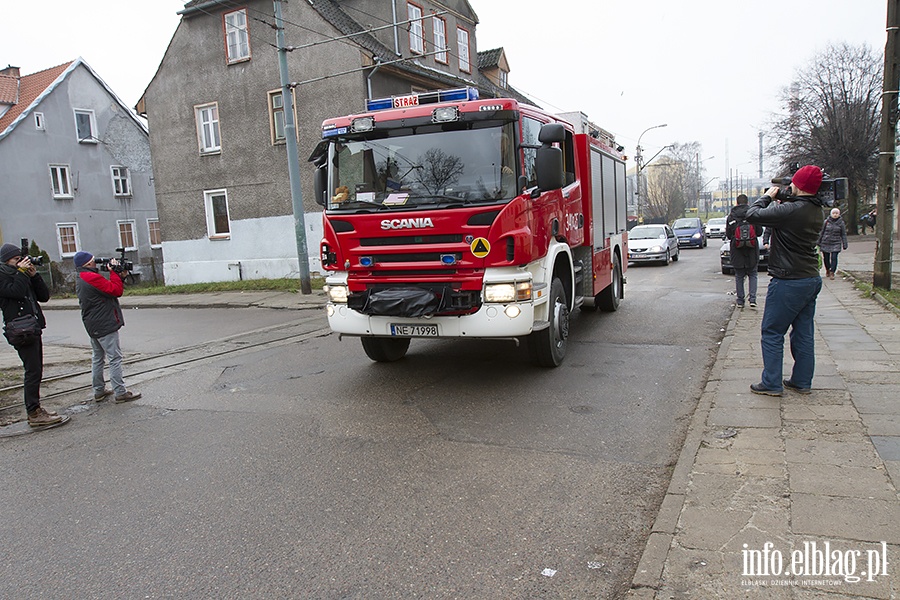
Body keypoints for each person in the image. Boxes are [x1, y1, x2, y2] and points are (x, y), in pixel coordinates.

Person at [744, 165, 827, 397]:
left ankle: (771, 383)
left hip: (788, 280)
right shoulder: (815, 209)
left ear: (798, 185)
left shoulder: (792, 210)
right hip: (809, 277)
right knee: (803, 332)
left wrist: (766, 197)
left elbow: (751, 215)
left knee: (772, 331)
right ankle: (802, 381)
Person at [0, 243, 62, 426]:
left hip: (32, 327)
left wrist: (34, 276)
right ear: (6, 261)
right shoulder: (3, 276)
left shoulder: (21, 275)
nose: (22, 262)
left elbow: (43, 296)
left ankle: (35, 408)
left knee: (36, 369)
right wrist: (21, 272)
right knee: (32, 371)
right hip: (20, 330)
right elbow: (15, 292)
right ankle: (33, 413)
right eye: (17, 259)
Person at [74, 251, 141, 403]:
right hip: (104, 323)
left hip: (92, 323)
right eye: (93, 261)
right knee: (114, 358)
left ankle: (99, 390)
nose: (96, 264)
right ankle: (120, 392)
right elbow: (115, 291)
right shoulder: (92, 278)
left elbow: (106, 290)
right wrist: (114, 273)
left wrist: (119, 276)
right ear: (88, 264)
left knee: (97, 357)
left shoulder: (81, 277)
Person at [725, 194, 759, 308]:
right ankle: (753, 299)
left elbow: (729, 235)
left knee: (739, 275)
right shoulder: (753, 214)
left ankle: (740, 300)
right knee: (753, 274)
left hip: (737, 249)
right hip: (752, 249)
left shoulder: (731, 217)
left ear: (737, 203)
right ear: (747, 202)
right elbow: (759, 232)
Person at [818, 207, 848, 280]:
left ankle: (832, 271)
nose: (835, 215)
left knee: (834, 257)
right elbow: (821, 232)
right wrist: (818, 241)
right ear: (831, 214)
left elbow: (843, 234)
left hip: (836, 242)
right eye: (834, 213)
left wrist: (845, 243)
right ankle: (828, 269)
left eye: (836, 213)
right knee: (826, 258)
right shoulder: (826, 222)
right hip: (826, 241)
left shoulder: (841, 223)